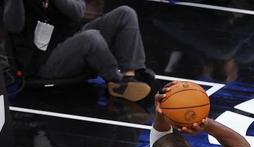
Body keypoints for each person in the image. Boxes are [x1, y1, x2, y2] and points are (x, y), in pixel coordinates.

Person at [2, 0, 152, 101]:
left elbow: (78, 11)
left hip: (70, 40)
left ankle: (130, 74)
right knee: (91, 38)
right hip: (42, 61)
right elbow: (13, 26)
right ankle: (116, 82)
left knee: (125, 13)